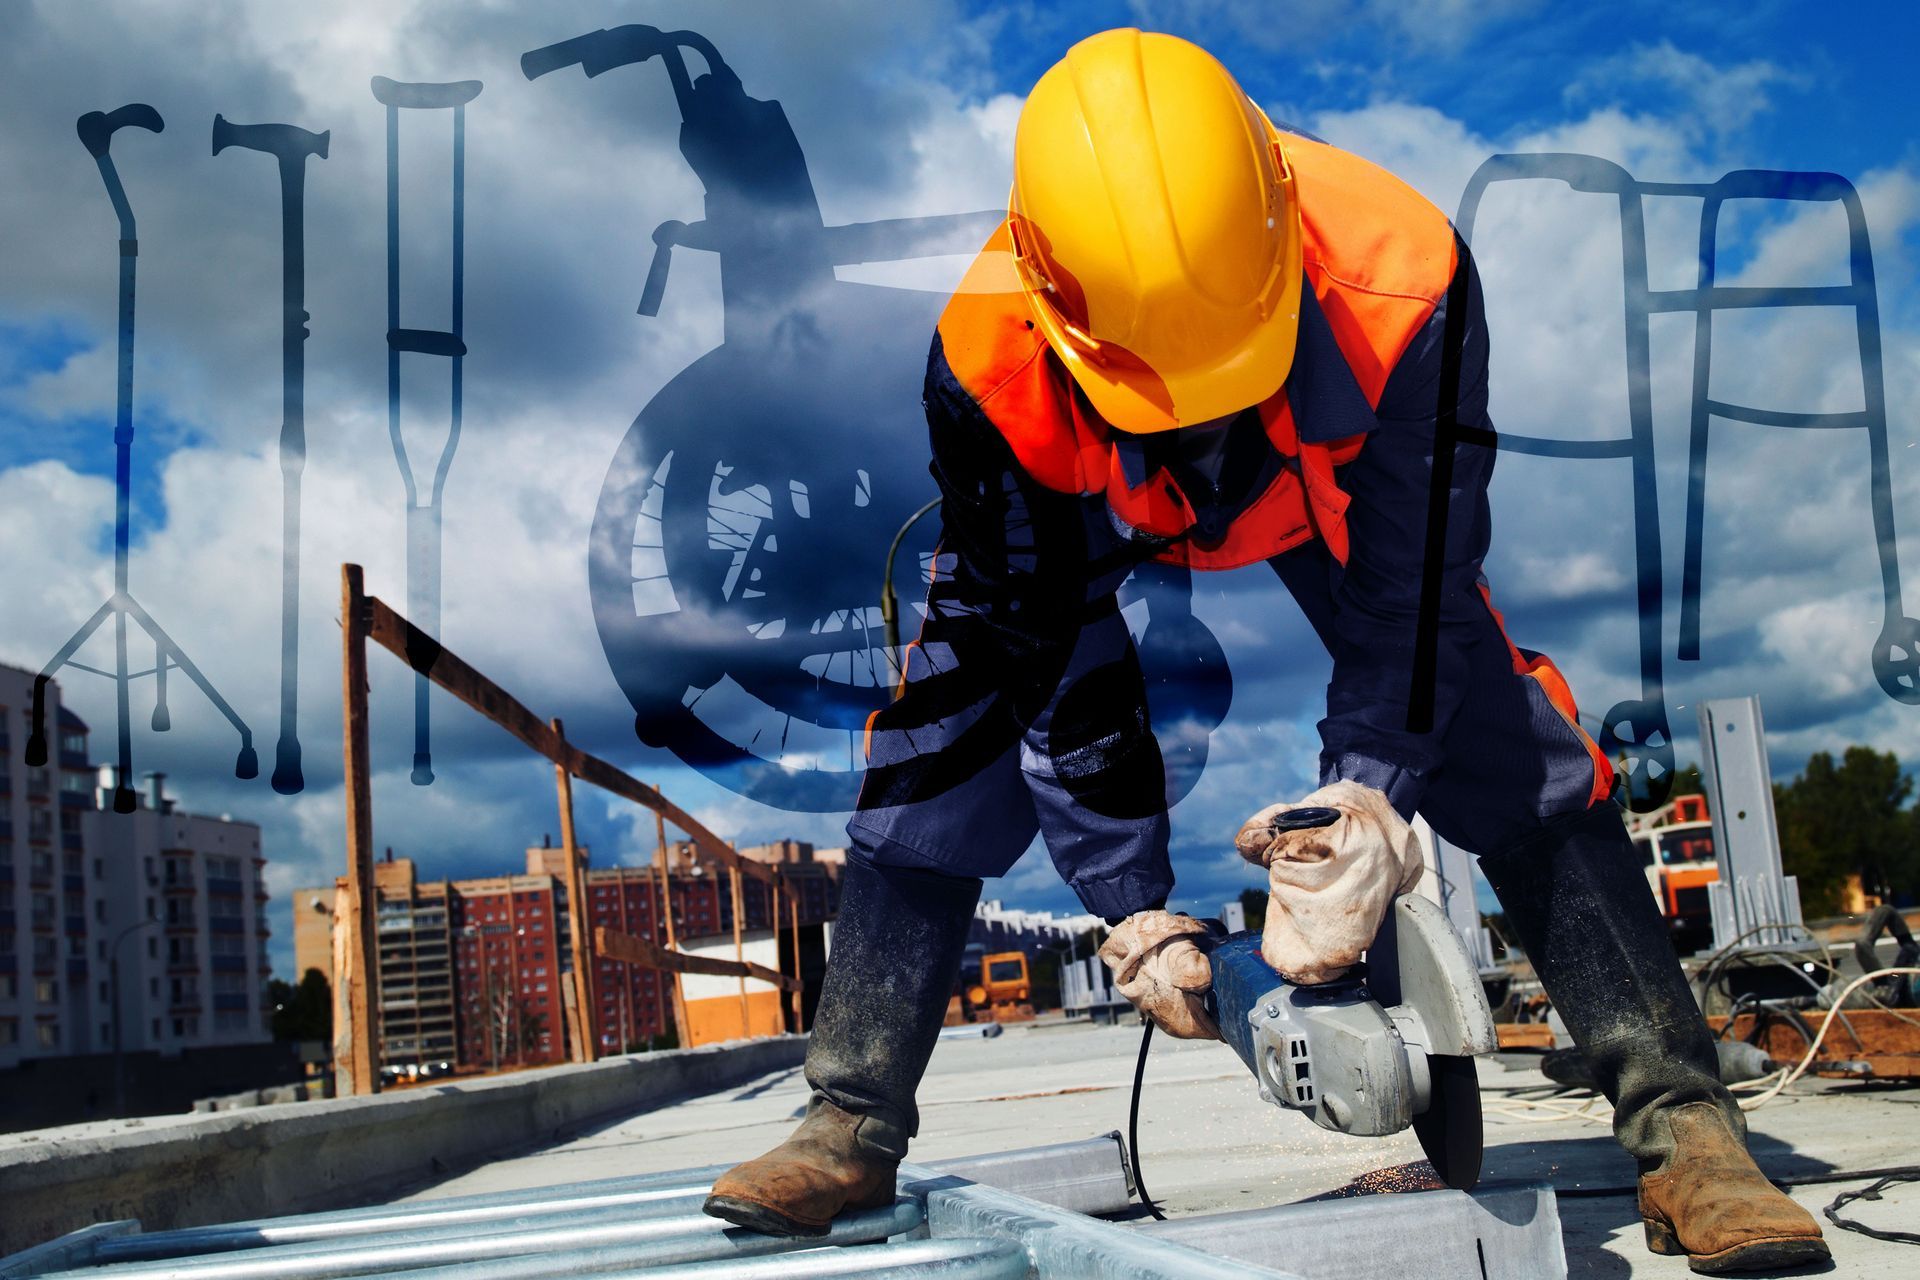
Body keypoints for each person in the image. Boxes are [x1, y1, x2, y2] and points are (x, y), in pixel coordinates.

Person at [704, 28, 1827, 1274]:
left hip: (1317, 477)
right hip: (1078, 495)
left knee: (1504, 730)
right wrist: (1131, 907)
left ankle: (1687, 1125)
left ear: (1283, 224)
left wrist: (1364, 799)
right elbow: (1052, 658)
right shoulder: (987, 364)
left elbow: (1413, 595)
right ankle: (849, 1115)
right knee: (944, 739)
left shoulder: (1408, 277)